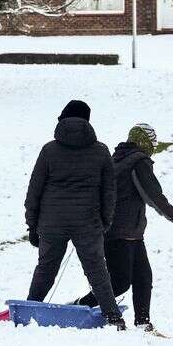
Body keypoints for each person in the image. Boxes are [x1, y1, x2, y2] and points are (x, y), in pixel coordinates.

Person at [70, 124, 173, 333]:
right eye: (152, 143)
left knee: (143, 277)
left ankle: (143, 323)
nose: (154, 147)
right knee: (120, 282)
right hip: (120, 233)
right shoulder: (138, 162)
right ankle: (78, 307)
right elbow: (153, 195)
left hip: (127, 233)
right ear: (144, 142)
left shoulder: (117, 160)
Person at [24, 100, 125, 330]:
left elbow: (34, 190)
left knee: (46, 268)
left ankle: (30, 310)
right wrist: (104, 221)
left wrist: (32, 225)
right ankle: (114, 317)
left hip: (52, 222)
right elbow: (109, 192)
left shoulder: (49, 150)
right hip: (88, 223)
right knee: (97, 270)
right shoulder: (100, 151)